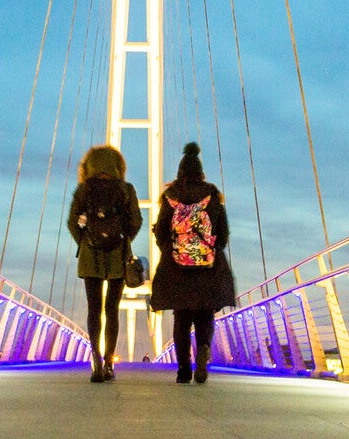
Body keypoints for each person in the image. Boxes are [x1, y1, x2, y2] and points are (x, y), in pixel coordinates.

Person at [150, 142, 234, 384]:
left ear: (180, 172)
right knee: (205, 314)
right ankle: (204, 349)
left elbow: (161, 233)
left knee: (182, 318)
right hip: (207, 267)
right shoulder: (212, 195)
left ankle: (184, 370)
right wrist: (210, 250)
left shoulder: (170, 196)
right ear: (201, 171)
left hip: (177, 267)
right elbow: (223, 232)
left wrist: (171, 251)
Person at [67, 145, 141, 383]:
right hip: (118, 256)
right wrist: (123, 240)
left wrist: (86, 241)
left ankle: (95, 360)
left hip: (91, 257)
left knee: (93, 310)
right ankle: (109, 362)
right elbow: (136, 221)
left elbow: (71, 222)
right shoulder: (126, 189)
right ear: (118, 166)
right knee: (112, 310)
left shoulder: (84, 189)